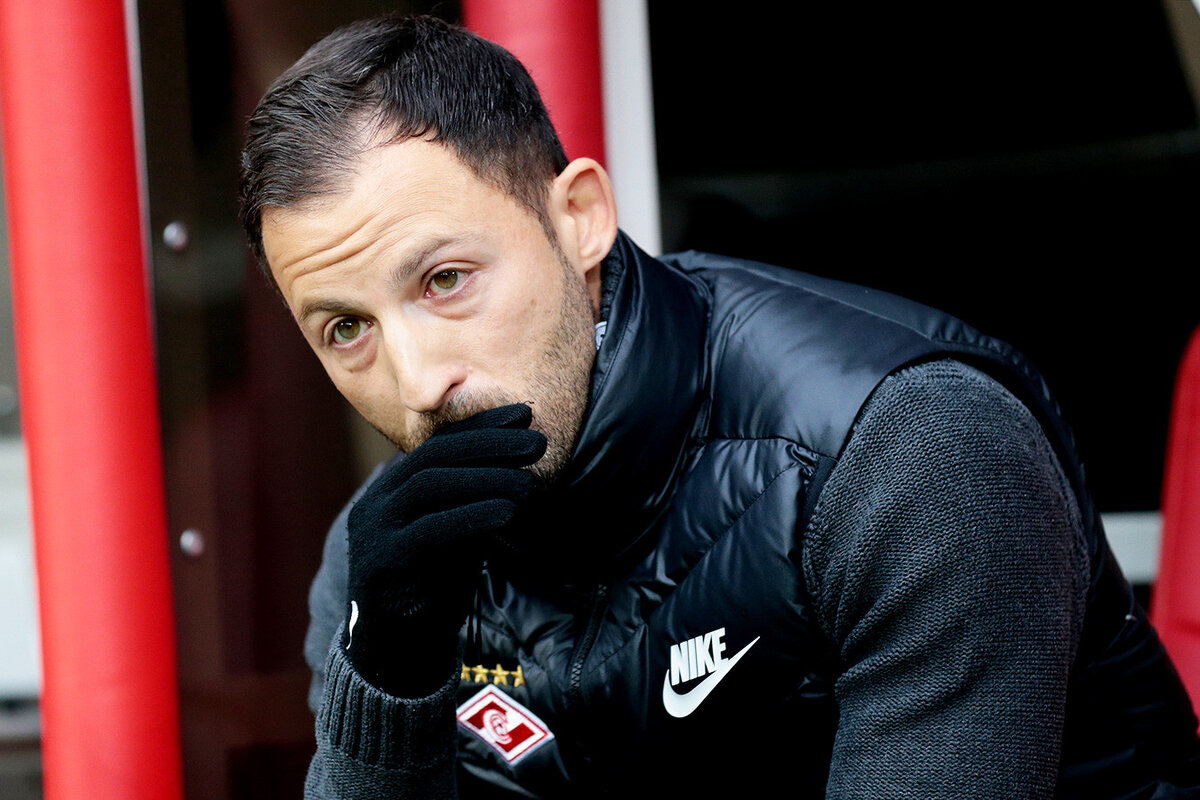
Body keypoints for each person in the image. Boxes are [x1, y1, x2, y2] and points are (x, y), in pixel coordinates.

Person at [238, 13, 1200, 800]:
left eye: (446, 280)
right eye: (346, 329)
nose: (418, 384)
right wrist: (389, 678)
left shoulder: (908, 448)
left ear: (579, 219)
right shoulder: (383, 566)